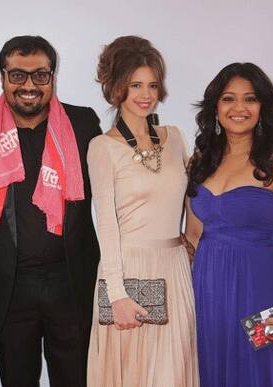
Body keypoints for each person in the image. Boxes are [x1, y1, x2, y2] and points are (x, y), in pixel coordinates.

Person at [0, 35, 101, 387]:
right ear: (2, 78)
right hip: (7, 291)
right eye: (17, 75)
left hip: (71, 285)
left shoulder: (83, 126)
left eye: (40, 75)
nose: (29, 86)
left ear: (53, 77)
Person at [86, 36, 199, 386]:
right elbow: (105, 222)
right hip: (127, 268)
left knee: (174, 371)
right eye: (135, 85)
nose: (145, 94)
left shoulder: (176, 137)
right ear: (116, 87)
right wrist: (117, 295)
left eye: (152, 85)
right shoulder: (103, 147)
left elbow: (197, 195)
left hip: (175, 268)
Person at [185, 62, 273, 386]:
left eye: (250, 99)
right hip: (207, 292)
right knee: (211, 370)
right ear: (215, 107)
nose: (239, 108)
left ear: (262, 106)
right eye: (228, 98)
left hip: (262, 290)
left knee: (263, 372)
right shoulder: (199, 161)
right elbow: (193, 237)